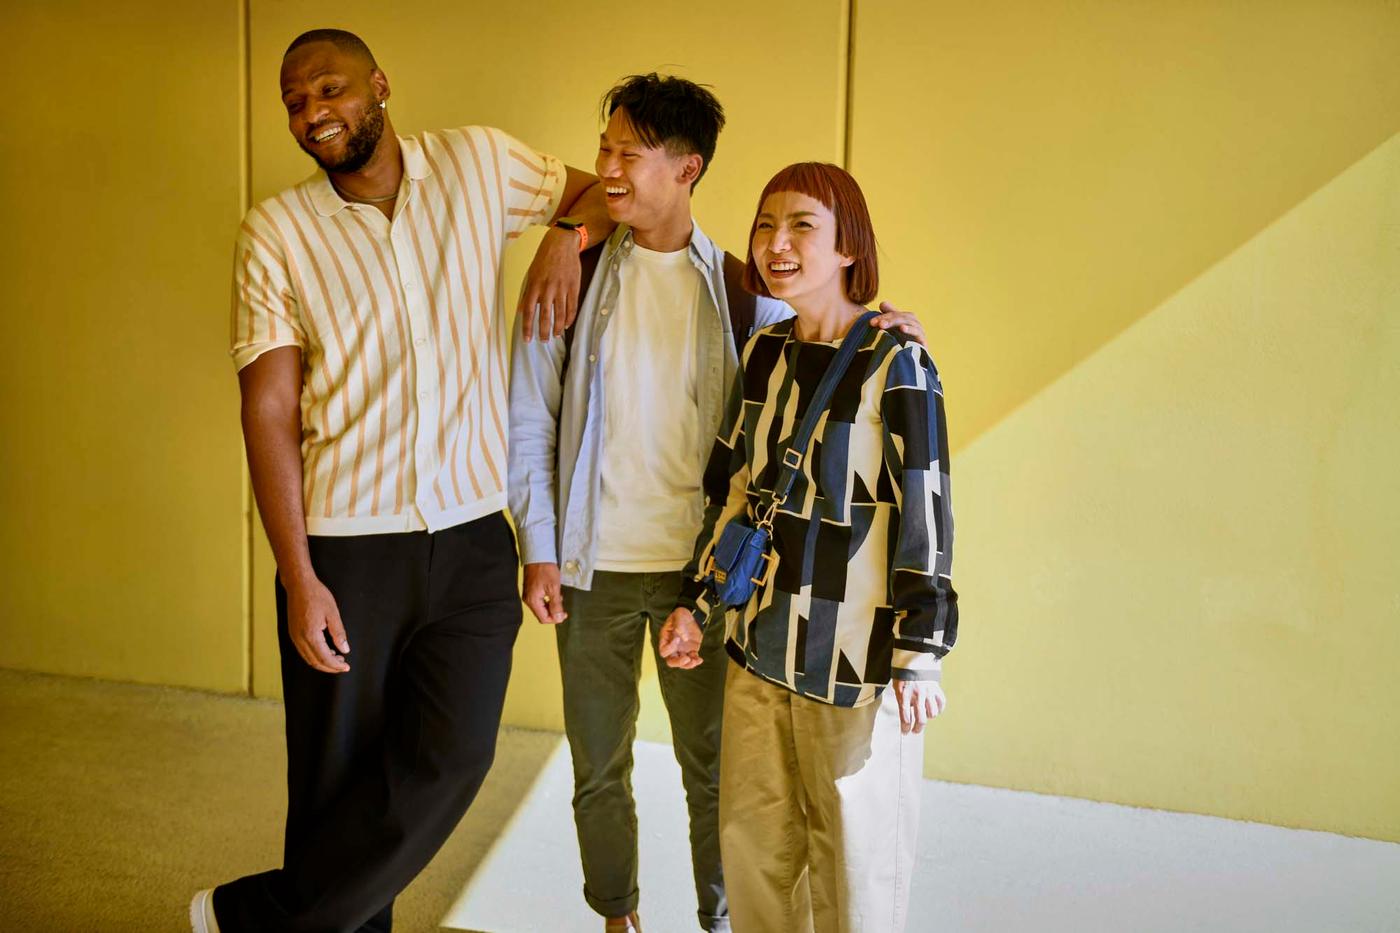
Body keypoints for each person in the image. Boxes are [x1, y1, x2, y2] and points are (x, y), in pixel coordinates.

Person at [190, 28, 612, 933]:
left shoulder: (477, 163)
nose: (313, 114)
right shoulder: (276, 232)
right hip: (346, 546)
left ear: (379, 85)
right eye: (295, 102)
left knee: (453, 757)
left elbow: (603, 192)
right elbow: (266, 412)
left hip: (469, 536)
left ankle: (252, 917)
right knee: (338, 781)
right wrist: (300, 577)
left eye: (330, 89)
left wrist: (563, 241)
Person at [508, 77, 926, 933]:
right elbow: (529, 418)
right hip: (592, 565)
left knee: (720, 776)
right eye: (606, 151)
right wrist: (539, 546)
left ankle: (720, 920)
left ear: (687, 167)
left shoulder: (743, 292)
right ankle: (616, 919)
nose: (609, 168)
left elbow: (822, 348)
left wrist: (888, 324)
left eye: (630, 152)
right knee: (597, 765)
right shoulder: (575, 274)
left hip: (707, 579)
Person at [658, 162, 958, 933]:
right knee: (756, 860)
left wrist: (920, 650)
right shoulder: (766, 353)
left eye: (801, 226)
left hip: (855, 665)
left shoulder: (900, 363)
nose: (776, 243)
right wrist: (698, 601)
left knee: (855, 875)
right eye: (765, 224)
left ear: (849, 246)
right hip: (759, 652)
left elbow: (926, 510)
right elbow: (731, 488)